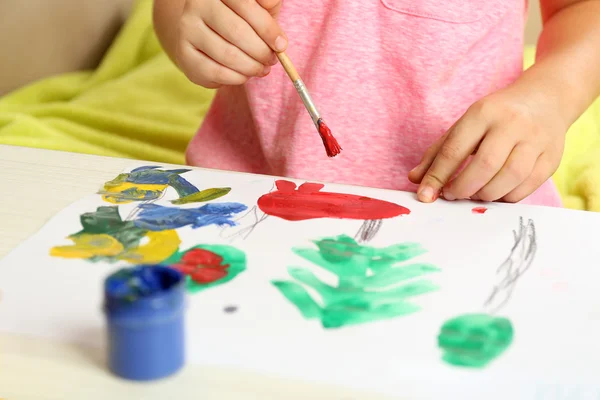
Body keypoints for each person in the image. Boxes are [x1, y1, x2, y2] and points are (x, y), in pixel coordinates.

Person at [152, 0, 600, 206]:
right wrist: (188, 26)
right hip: (243, 201)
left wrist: (550, 97)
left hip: (476, 201)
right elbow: (179, 8)